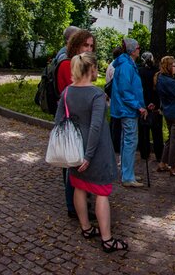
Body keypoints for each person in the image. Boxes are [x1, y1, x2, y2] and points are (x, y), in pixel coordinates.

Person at [54, 52, 127, 253]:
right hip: (95, 150)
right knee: (102, 192)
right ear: (92, 69)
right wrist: (88, 155)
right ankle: (107, 239)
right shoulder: (96, 94)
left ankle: (86, 228)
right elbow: (96, 126)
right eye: (97, 68)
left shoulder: (67, 92)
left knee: (79, 186)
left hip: (74, 147)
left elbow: (58, 121)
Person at [56, 29, 95, 219]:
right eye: (85, 45)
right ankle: (73, 206)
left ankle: (79, 202)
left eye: (91, 46)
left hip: (81, 123)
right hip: (72, 124)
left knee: (77, 164)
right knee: (71, 166)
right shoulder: (66, 65)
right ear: (76, 45)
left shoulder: (81, 65)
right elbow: (68, 96)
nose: (88, 49)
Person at [109, 39, 147, 188]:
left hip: (127, 108)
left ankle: (127, 172)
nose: (139, 50)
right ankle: (127, 176)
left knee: (128, 141)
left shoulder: (127, 64)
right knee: (130, 142)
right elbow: (126, 91)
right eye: (138, 48)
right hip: (128, 109)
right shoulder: (126, 65)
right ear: (132, 51)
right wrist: (138, 106)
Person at [137, 52, 163, 168]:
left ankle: (144, 153)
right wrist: (156, 103)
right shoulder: (157, 72)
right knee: (157, 131)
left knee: (143, 130)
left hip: (143, 103)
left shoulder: (139, 71)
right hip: (155, 104)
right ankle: (159, 154)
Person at [106, 46, 125, 154]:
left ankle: (113, 143)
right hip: (117, 98)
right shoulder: (116, 67)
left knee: (114, 122)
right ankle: (115, 145)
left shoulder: (111, 65)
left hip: (114, 98)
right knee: (116, 124)